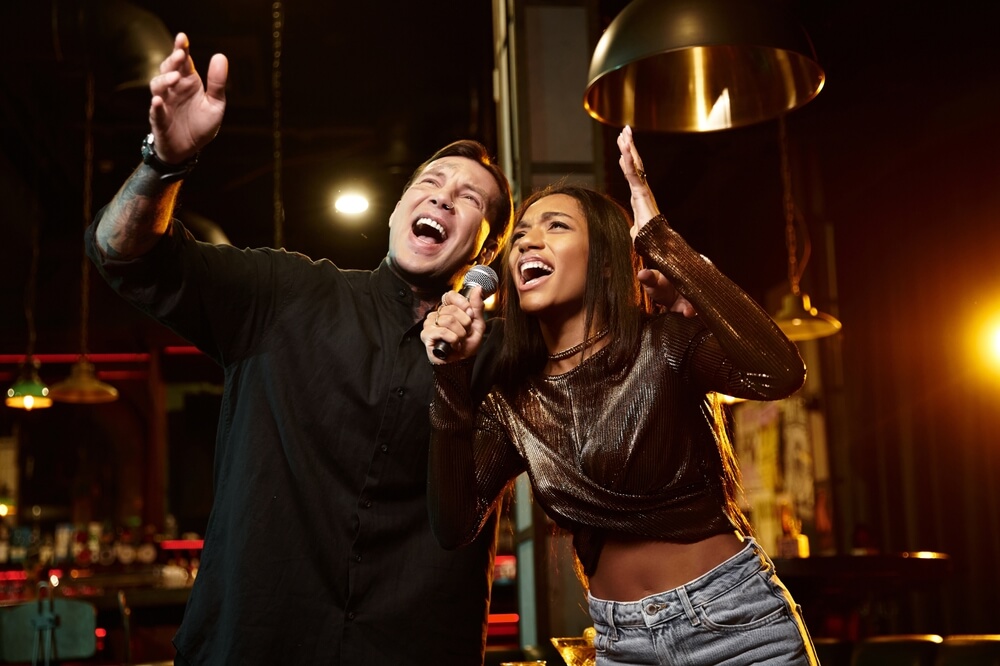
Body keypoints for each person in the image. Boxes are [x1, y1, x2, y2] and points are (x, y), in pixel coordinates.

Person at [85, 32, 515, 665]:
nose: (443, 197)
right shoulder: (287, 289)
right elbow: (125, 254)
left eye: (469, 198)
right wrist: (163, 163)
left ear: (484, 252)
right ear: (398, 211)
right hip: (254, 645)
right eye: (430, 182)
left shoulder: (502, 357)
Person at [421, 126, 820, 665]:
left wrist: (658, 236)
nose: (527, 242)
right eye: (520, 237)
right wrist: (451, 372)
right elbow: (452, 525)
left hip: (733, 624)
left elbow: (778, 373)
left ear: (606, 259)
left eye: (555, 226)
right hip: (621, 643)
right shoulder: (511, 403)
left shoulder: (665, 345)